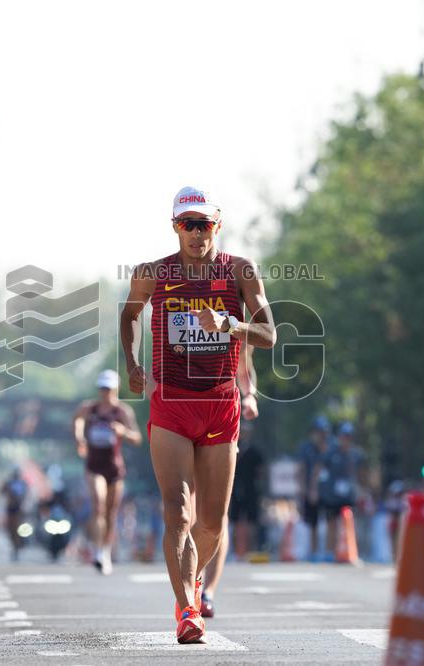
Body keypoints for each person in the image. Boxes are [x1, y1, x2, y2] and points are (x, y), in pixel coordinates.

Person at [120, 186, 275, 644]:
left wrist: (232, 324)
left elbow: (269, 333)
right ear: (175, 227)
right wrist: (132, 363)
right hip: (171, 403)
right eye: (187, 224)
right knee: (177, 512)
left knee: (211, 522)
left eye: (202, 224)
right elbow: (129, 315)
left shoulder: (240, 271)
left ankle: (194, 580)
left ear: (216, 226)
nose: (195, 232)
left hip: (220, 405)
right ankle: (187, 609)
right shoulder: (152, 273)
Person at [74, 369, 142, 575]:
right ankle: (96, 550)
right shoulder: (89, 408)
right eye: (102, 388)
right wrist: (79, 437)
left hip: (114, 466)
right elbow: (77, 419)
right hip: (94, 464)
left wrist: (123, 432)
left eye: (109, 388)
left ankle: (105, 551)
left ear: (116, 389)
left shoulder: (122, 411)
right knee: (98, 504)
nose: (105, 392)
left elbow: (137, 437)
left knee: (111, 512)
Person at [201, 416, 265, 618]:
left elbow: (261, 471)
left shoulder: (254, 451)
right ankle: (195, 582)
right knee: (211, 518)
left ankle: (208, 591)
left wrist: (249, 400)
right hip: (202, 438)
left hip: (247, 488)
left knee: (225, 519)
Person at [297, 416, 334, 561]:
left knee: (331, 521)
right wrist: (304, 491)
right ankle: (314, 552)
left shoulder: (332, 447)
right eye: (319, 431)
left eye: (324, 431)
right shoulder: (306, 448)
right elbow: (302, 470)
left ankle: (330, 552)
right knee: (313, 523)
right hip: (312, 491)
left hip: (329, 492)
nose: (322, 434)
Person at [2, 466, 28, 561]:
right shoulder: (9, 483)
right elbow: (1, 491)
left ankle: (20, 544)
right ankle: (15, 546)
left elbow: (26, 495)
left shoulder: (23, 484)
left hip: (19, 510)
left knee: (21, 528)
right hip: (11, 509)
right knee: (10, 530)